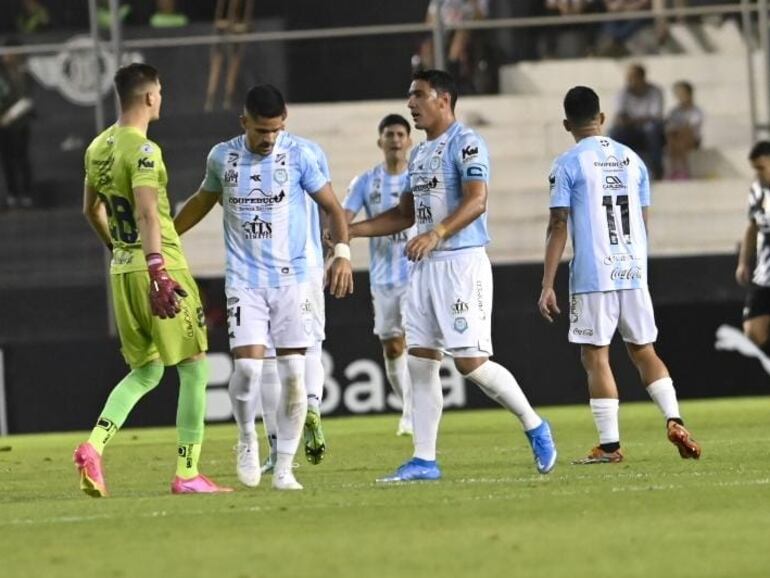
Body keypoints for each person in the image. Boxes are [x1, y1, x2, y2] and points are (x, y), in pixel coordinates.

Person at [349, 70, 557, 482]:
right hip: (423, 269)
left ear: (443, 99)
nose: (411, 104)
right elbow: (405, 214)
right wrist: (352, 230)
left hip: (460, 264)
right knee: (420, 361)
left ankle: (535, 425)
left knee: (471, 364)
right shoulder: (422, 155)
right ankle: (424, 459)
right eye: (410, 96)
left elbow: (477, 200)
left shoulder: (467, 143)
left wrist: (437, 232)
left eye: (418, 95)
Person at [174, 84, 353, 491]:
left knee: (293, 375)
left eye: (275, 130)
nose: (269, 139)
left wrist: (341, 253)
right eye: (261, 131)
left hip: (293, 280)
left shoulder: (301, 155)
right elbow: (203, 200)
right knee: (249, 371)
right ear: (244, 122)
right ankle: (246, 438)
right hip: (246, 281)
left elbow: (333, 208)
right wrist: (168, 236)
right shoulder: (223, 157)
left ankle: (285, 467)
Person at [74, 63, 231, 496]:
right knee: (195, 368)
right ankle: (187, 473)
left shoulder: (96, 148)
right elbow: (147, 213)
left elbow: (91, 210)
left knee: (146, 371)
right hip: (160, 271)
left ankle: (94, 445)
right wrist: (158, 269)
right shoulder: (143, 151)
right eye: (159, 92)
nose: (161, 99)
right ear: (148, 97)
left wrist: (120, 251)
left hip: (122, 270)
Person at [538, 85, 701, 464]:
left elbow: (558, 224)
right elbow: (643, 220)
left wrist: (547, 283)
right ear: (603, 118)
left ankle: (610, 446)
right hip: (633, 269)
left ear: (567, 124)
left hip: (594, 274)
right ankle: (674, 418)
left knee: (596, 357)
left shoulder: (567, 163)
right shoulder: (633, 160)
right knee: (644, 351)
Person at [342, 114, 415, 437]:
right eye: (390, 134)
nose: (396, 139)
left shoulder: (419, 177)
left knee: (420, 344)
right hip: (384, 278)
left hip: (418, 274)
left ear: (409, 141)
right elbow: (343, 220)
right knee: (394, 347)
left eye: (401, 134)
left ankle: (415, 413)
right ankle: (409, 407)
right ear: (380, 141)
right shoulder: (366, 182)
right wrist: (337, 244)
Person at [735, 141, 770, 351]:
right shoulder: (757, 190)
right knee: (753, 331)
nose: (757, 173)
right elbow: (752, 226)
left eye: (760, 167)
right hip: (764, 273)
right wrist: (743, 263)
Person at [609, 64, 665, 180]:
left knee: (652, 129)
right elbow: (619, 116)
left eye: (633, 77)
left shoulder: (655, 91)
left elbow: (655, 116)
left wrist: (631, 120)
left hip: (649, 129)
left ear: (642, 77)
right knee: (614, 133)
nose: (629, 80)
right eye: (628, 77)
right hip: (631, 130)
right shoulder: (623, 93)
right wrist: (634, 120)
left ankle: (657, 169)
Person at [0, 40, 34, 210]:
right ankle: (13, 194)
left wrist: (9, 116)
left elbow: (27, 100)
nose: (5, 56)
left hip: (19, 125)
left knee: (21, 158)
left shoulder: (23, 74)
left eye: (8, 52)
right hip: (3, 127)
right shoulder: (2, 74)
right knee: (7, 160)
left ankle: (26, 193)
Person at [664, 80, 703, 180]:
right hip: (676, 139)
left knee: (683, 135)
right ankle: (674, 170)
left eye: (683, 93)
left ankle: (684, 170)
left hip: (692, 139)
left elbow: (692, 127)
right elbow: (670, 127)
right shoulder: (674, 112)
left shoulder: (696, 111)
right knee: (672, 139)